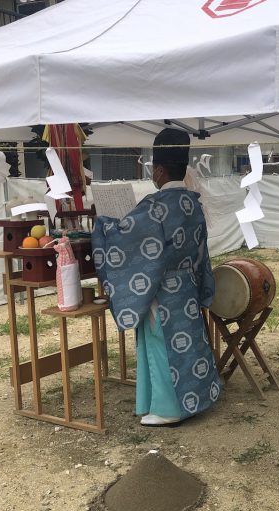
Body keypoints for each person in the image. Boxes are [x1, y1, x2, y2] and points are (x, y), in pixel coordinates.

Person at [92, 128, 222, 426]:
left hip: (161, 289)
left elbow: (126, 239)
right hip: (186, 287)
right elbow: (201, 250)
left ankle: (167, 409)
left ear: (160, 170)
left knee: (161, 343)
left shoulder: (154, 207)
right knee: (188, 345)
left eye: (153, 169)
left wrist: (102, 225)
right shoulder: (193, 203)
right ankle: (197, 398)